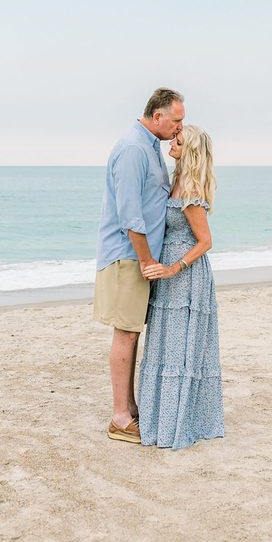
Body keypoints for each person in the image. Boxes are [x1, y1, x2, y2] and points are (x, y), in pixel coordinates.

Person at [94, 88, 185, 443]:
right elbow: (130, 214)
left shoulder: (150, 147)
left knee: (132, 331)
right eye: (176, 120)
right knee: (126, 331)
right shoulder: (134, 148)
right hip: (128, 255)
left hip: (139, 256)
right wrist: (147, 259)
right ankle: (120, 417)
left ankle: (129, 408)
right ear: (157, 116)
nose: (180, 127)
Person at [138, 125, 224, 449]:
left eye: (178, 140)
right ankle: (160, 419)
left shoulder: (189, 191)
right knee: (165, 347)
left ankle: (177, 424)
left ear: (189, 151)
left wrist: (175, 267)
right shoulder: (175, 181)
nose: (171, 142)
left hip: (186, 278)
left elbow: (206, 241)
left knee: (181, 351)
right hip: (168, 277)